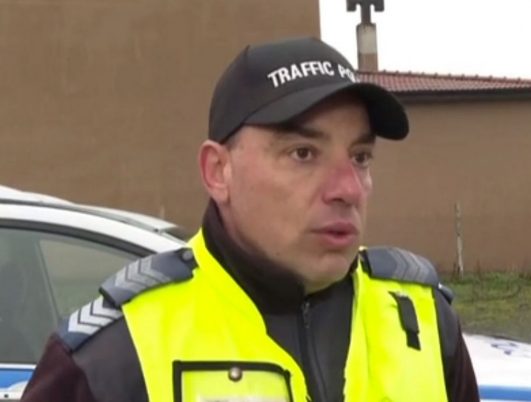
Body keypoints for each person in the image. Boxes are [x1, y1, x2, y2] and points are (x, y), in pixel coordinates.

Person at [21, 37, 480, 402]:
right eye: (303, 154)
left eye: (360, 157)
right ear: (218, 171)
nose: (348, 189)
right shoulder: (112, 356)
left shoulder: (421, 320)